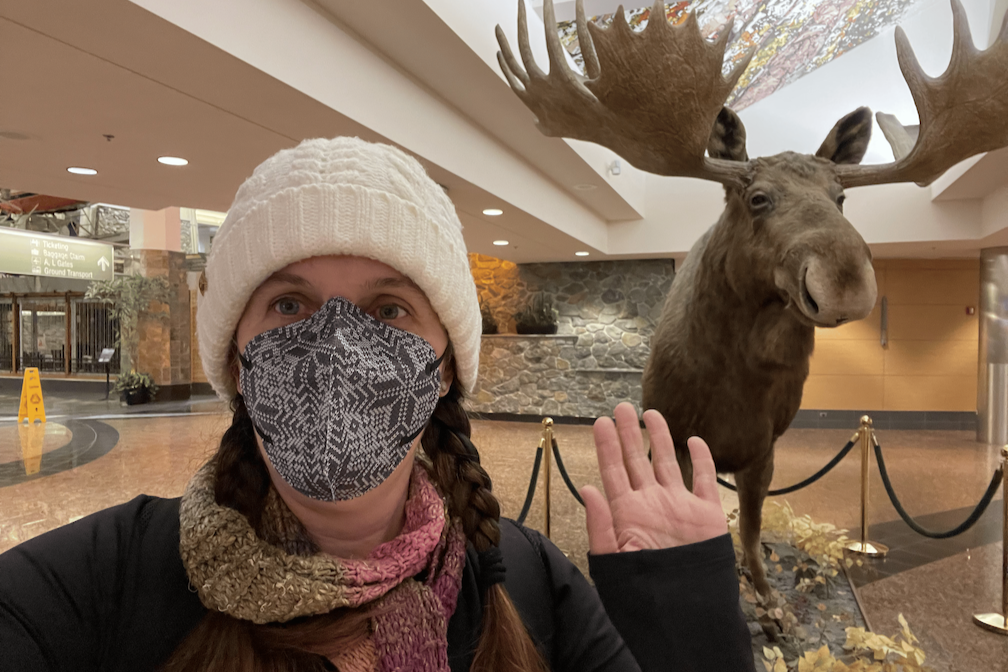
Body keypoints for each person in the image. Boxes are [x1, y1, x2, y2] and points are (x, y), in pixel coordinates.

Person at [0, 137, 755, 672]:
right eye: (290, 302)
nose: (336, 344)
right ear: (236, 356)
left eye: (388, 309)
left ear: (445, 369)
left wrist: (683, 619)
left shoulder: (527, 584)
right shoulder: (102, 582)